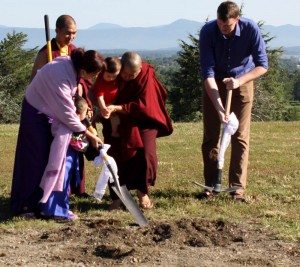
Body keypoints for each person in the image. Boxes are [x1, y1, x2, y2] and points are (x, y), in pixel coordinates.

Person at [11, 48, 104, 218]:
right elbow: (67, 114)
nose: (94, 78)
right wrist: (90, 135)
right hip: (36, 112)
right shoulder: (62, 76)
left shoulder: (71, 66)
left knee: (47, 157)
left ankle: (42, 202)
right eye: (94, 74)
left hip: (49, 112)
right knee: (34, 159)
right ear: (84, 70)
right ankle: (25, 206)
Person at [198, 1, 268, 201]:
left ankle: (237, 187)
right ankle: (211, 184)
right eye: (220, 25)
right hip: (215, 83)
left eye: (227, 26)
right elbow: (207, 74)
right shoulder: (208, 32)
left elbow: (262, 65)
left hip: (243, 80)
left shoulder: (250, 28)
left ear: (237, 20)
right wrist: (220, 109)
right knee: (211, 135)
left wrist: (238, 81)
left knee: (239, 136)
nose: (224, 30)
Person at [102, 51, 173, 210]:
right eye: (125, 74)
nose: (128, 77)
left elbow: (146, 106)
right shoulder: (114, 70)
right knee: (114, 156)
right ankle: (117, 197)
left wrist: (119, 107)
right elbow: (100, 91)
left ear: (140, 68)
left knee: (146, 155)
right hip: (120, 120)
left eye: (132, 74)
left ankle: (143, 192)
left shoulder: (146, 76)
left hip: (144, 120)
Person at [39, 96, 90, 220]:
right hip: (64, 158)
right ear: (77, 114)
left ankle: (48, 209)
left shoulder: (61, 120)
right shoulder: (70, 124)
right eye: (85, 112)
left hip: (60, 155)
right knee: (61, 182)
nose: (87, 115)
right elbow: (76, 143)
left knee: (54, 181)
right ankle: (59, 211)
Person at [30, 14, 77, 80]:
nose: (71, 37)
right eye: (68, 33)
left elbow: (82, 77)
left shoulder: (74, 50)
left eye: (74, 33)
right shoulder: (45, 53)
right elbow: (34, 81)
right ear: (57, 30)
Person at [93, 56, 122, 137]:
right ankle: (114, 132)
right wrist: (103, 109)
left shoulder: (117, 78)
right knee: (114, 117)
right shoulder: (101, 82)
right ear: (103, 71)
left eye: (114, 76)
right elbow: (100, 97)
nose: (111, 78)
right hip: (106, 103)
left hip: (115, 100)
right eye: (108, 76)